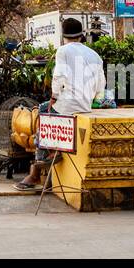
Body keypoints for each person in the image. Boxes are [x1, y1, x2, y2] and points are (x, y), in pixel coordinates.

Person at [16, 17, 105, 190]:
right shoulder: (94, 55)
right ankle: (47, 158)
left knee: (43, 111)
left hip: (68, 104)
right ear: (81, 35)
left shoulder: (63, 51)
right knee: (43, 110)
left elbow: (58, 76)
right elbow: (100, 85)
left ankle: (38, 169)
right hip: (85, 105)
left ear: (64, 35)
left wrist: (54, 97)